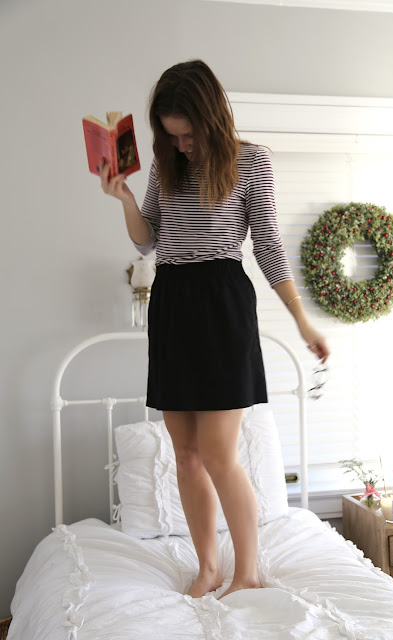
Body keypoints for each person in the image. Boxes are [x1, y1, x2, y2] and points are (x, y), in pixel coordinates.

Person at [100, 59, 329, 600]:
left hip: (223, 302)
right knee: (185, 453)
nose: (181, 145)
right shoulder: (166, 165)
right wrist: (125, 198)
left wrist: (301, 320)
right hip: (172, 302)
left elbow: (268, 246)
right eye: (172, 136)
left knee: (219, 453)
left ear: (212, 119)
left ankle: (248, 571)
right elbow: (147, 240)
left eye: (189, 134)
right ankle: (208, 569)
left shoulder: (251, 160)